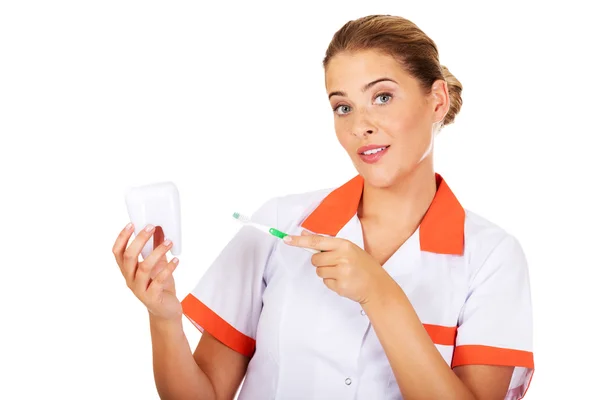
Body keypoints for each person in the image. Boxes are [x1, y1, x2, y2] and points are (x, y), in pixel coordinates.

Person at [112, 14, 534, 400]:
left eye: (382, 97)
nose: (359, 126)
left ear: (437, 101)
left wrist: (381, 295)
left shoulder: (491, 257)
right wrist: (163, 317)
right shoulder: (278, 225)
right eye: (343, 106)